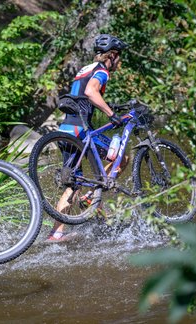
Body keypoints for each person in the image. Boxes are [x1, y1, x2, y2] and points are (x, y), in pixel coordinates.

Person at [47, 34, 128, 242]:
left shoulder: (86, 69)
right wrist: (111, 114)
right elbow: (91, 92)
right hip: (80, 131)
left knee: (74, 183)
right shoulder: (102, 71)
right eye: (119, 57)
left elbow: (82, 94)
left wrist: (111, 107)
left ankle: (56, 234)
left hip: (66, 129)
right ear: (112, 55)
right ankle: (92, 194)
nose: (119, 62)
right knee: (122, 158)